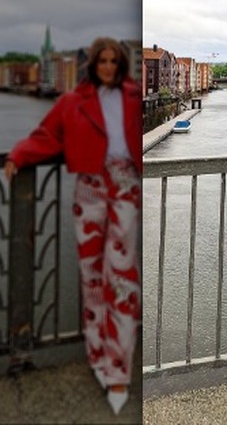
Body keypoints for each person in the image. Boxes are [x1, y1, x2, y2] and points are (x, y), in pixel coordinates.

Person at [4, 37, 142, 415]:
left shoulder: (134, 97)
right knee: (91, 276)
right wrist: (18, 156)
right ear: (93, 65)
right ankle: (97, 355)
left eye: (115, 61)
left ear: (122, 64)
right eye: (103, 61)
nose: (109, 67)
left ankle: (118, 369)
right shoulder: (71, 102)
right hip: (90, 187)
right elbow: (47, 136)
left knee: (122, 276)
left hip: (125, 186)